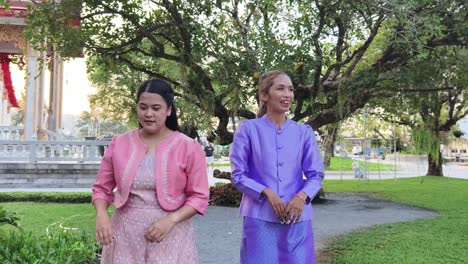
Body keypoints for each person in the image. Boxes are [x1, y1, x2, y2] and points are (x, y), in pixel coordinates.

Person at [92, 79, 209, 263]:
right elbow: (101, 189)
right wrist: (101, 215)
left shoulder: (188, 147)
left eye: (156, 108)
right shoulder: (119, 143)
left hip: (171, 234)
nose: (148, 114)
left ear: (168, 110)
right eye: (143, 107)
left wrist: (171, 221)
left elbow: (199, 197)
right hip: (125, 234)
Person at [230, 70, 324, 264]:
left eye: (290, 89)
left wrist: (301, 197)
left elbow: (316, 174)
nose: (287, 94)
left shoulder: (303, 132)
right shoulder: (248, 129)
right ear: (264, 95)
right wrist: (267, 193)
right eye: (280, 88)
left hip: (297, 217)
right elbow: (238, 175)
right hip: (259, 217)